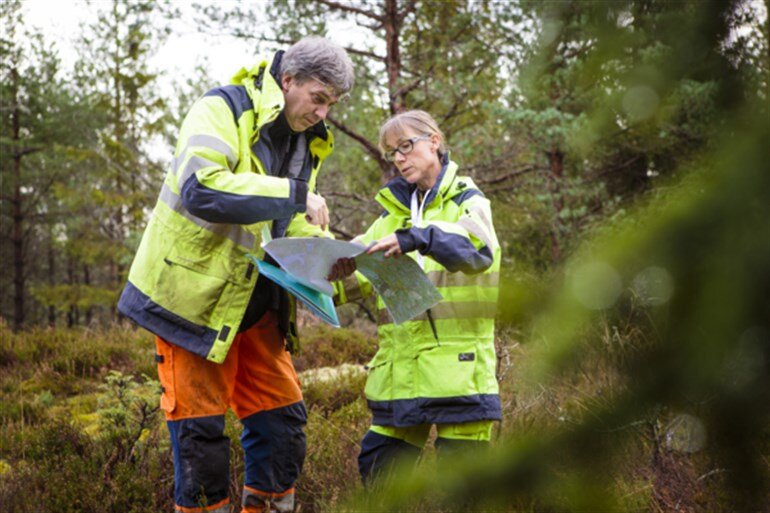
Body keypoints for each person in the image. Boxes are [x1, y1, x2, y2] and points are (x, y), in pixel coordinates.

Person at [117, 36, 354, 513]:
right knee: (201, 437)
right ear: (288, 81)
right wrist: (292, 192)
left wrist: (332, 256)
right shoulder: (221, 108)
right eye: (319, 99)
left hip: (259, 302)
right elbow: (203, 188)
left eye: (332, 103)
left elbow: (291, 221)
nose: (324, 113)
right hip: (192, 300)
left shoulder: (307, 138)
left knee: (283, 426)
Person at [328, 110, 501, 483]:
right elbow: (351, 276)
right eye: (393, 152)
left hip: (459, 372)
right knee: (378, 472)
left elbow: (477, 250)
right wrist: (323, 273)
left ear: (434, 142)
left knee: (463, 489)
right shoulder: (390, 217)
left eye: (405, 146)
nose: (399, 158)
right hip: (400, 373)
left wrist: (417, 237)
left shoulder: (467, 201)